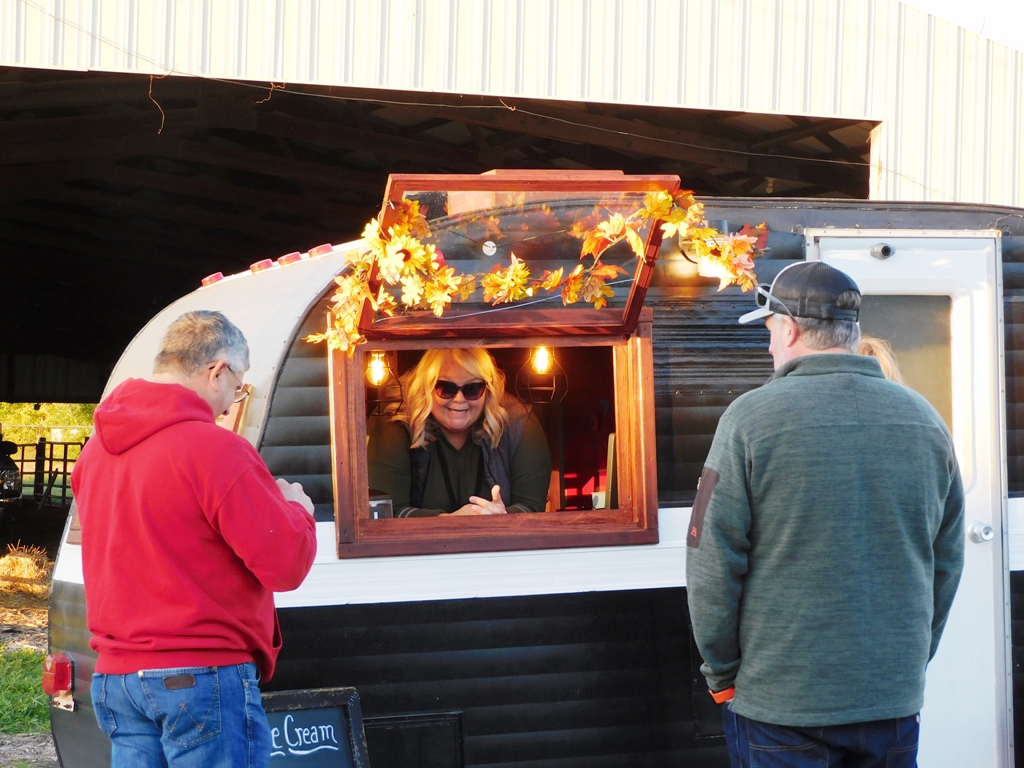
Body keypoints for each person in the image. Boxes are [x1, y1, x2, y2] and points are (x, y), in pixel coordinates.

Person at [685, 262, 965, 768]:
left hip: (782, 704)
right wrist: (909, 661)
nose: (770, 346)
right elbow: (947, 560)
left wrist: (720, 675)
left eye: (770, 331)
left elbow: (709, 558)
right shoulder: (926, 421)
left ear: (790, 329)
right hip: (891, 700)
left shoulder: (748, 420)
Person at [71, 310, 318, 768]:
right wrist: (298, 509)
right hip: (201, 674)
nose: (229, 404)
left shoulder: (96, 453)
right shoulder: (216, 449)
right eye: (237, 386)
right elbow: (285, 566)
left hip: (116, 678)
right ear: (216, 370)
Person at [367, 347, 552, 516]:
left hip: (498, 542)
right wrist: (450, 522)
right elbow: (386, 513)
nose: (459, 399)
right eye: (446, 388)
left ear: (488, 390)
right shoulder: (395, 420)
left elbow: (532, 508)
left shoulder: (517, 422)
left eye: (472, 389)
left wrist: (498, 519)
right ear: (426, 387)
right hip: (419, 544)